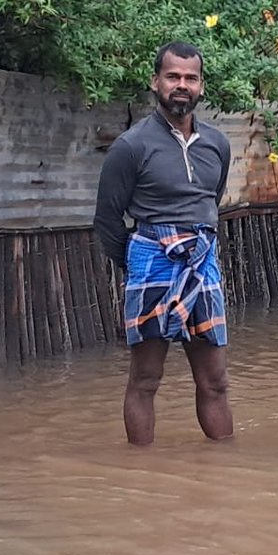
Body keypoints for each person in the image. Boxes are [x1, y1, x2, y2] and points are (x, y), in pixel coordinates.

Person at [93, 41, 233, 445]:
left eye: (190, 78)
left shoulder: (217, 145)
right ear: (155, 82)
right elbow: (107, 220)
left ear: (201, 86)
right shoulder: (131, 146)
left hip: (202, 262)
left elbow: (210, 202)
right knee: (146, 379)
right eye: (173, 76)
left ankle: (226, 469)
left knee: (216, 381)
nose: (181, 85)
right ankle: (142, 473)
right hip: (151, 259)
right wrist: (139, 265)